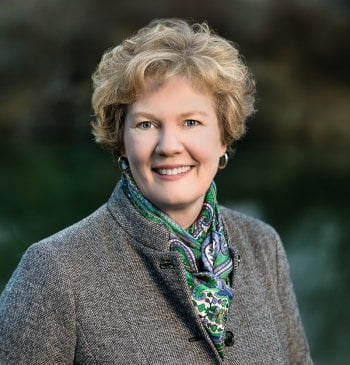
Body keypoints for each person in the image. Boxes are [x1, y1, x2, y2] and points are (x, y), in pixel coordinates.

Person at [0, 18, 312, 364]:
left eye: (191, 122)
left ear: (223, 136)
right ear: (121, 140)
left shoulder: (263, 246)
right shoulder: (55, 271)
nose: (169, 146)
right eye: (147, 124)